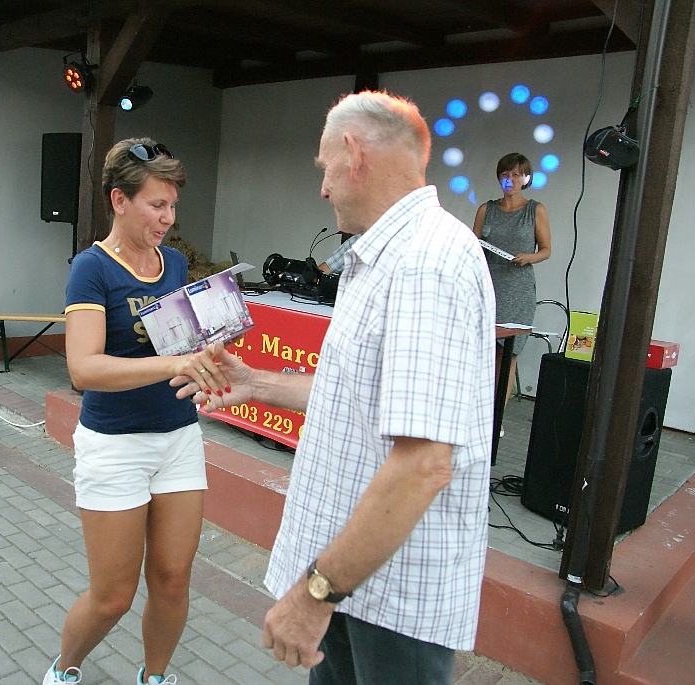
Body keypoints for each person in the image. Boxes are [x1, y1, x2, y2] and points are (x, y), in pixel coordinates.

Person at [175, 91, 496, 684]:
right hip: (354, 580)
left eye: (323, 168)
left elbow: (423, 464)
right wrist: (256, 383)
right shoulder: (382, 255)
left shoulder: (426, 262)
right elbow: (359, 397)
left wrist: (313, 596)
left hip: (387, 596)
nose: (322, 188)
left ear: (353, 152)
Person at [41, 138, 230, 685]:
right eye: (156, 205)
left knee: (172, 579)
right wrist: (175, 361)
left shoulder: (172, 262)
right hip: (115, 446)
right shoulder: (90, 269)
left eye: (173, 206)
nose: (169, 218)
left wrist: (212, 349)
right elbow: (84, 369)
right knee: (113, 597)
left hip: (177, 440)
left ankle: (156, 678)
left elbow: (183, 338)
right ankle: (64, 670)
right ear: (119, 200)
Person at [472, 153, 552, 412]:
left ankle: (496, 416)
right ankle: (474, 410)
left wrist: (528, 257)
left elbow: (546, 249)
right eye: (505, 174)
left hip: (517, 287)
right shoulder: (487, 209)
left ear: (526, 179)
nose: (509, 180)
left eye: (515, 175)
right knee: (480, 352)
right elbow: (473, 247)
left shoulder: (535, 210)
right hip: (487, 285)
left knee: (507, 354)